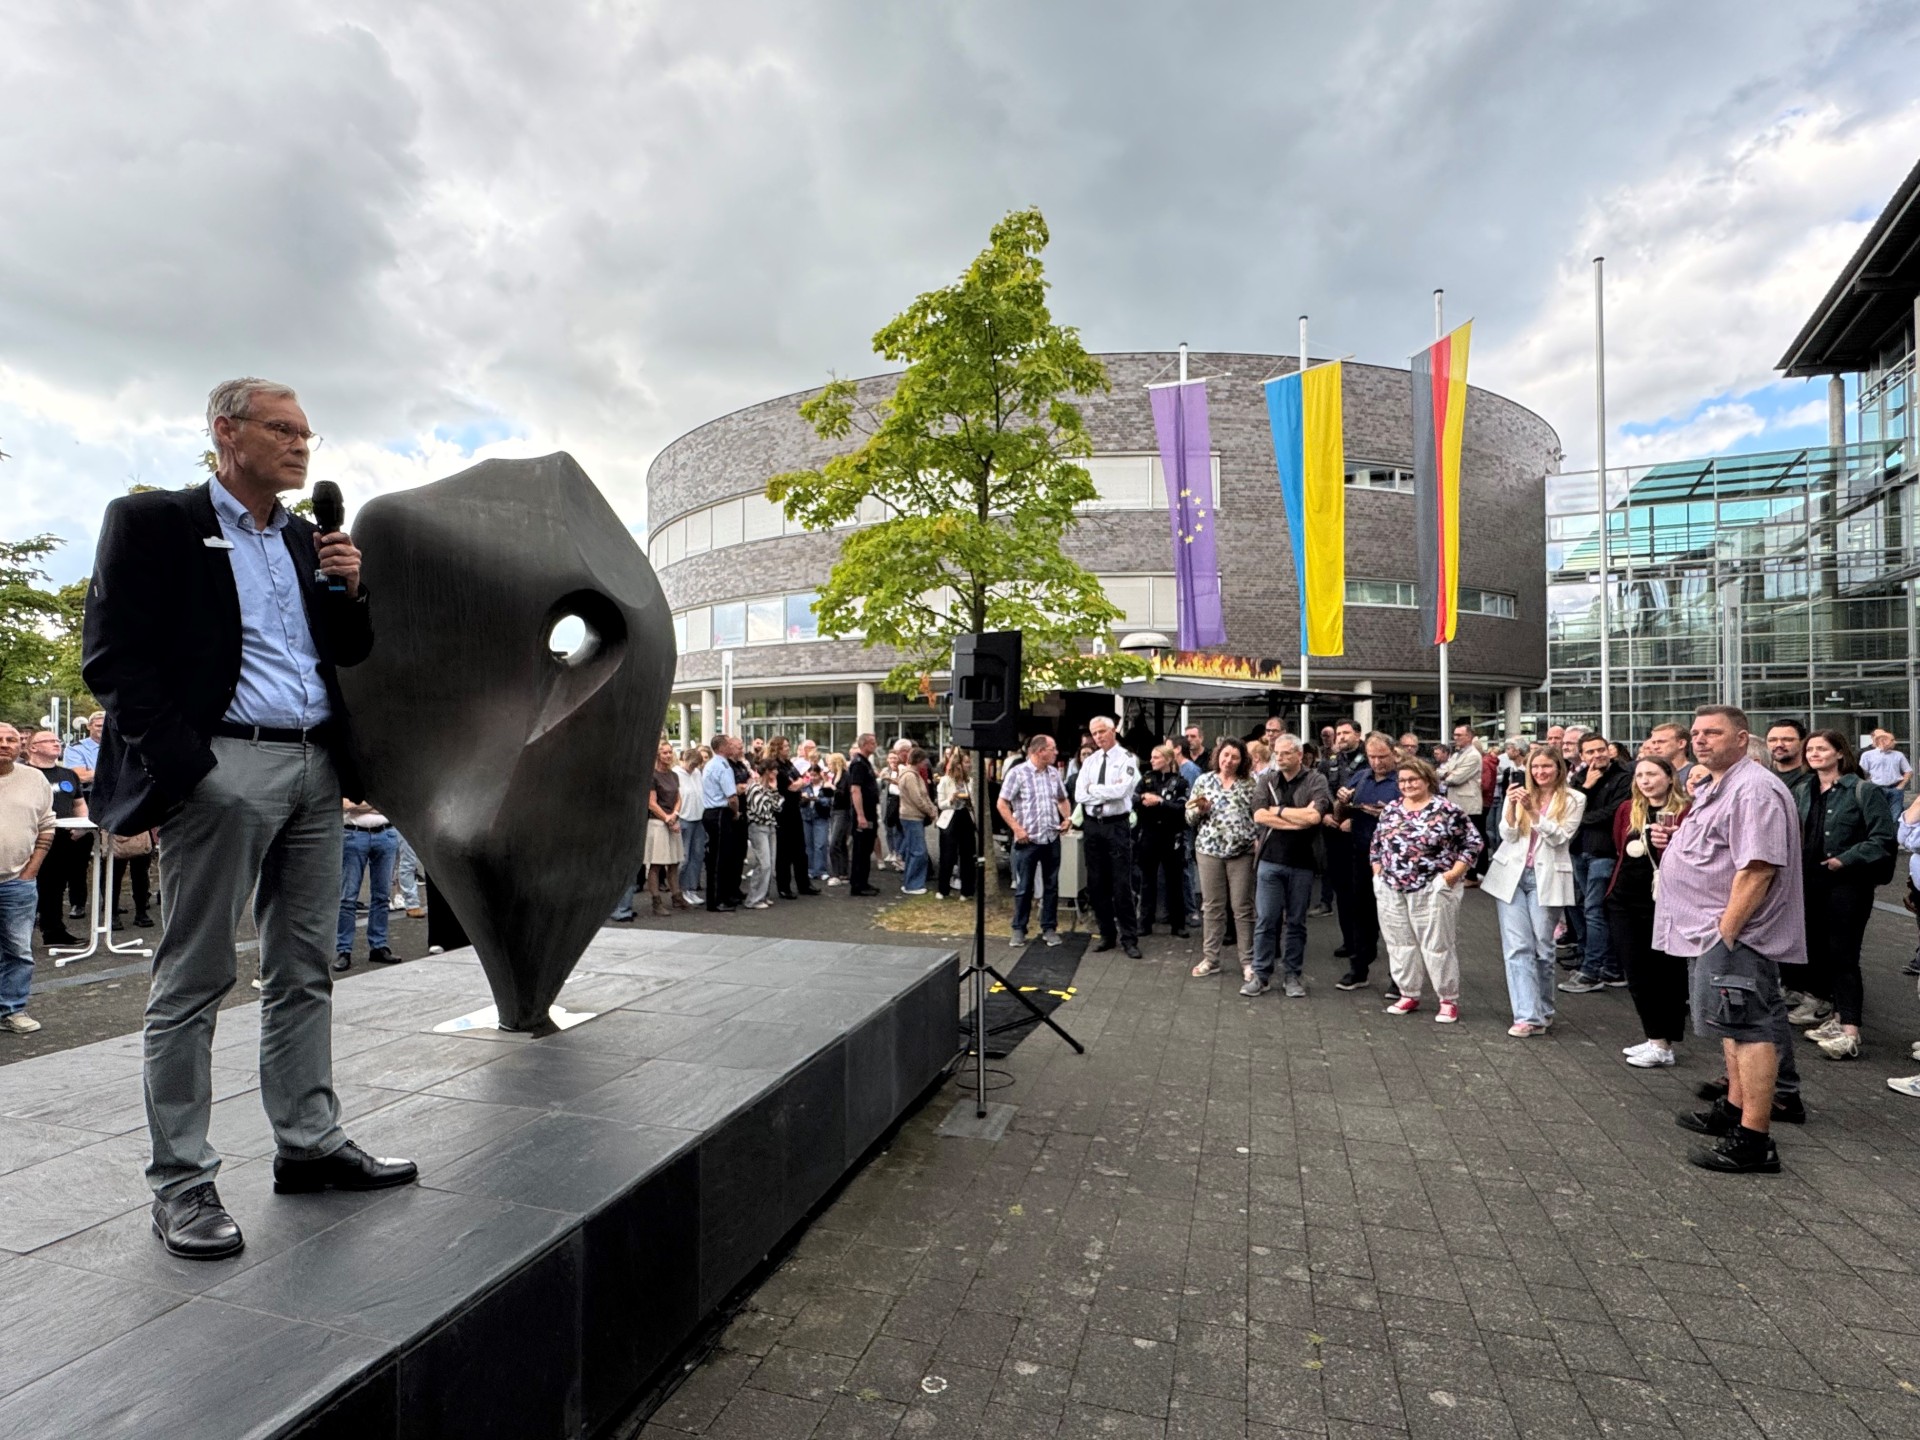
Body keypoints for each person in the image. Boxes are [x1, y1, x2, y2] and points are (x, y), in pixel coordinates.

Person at [82, 376, 416, 1261]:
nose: (301, 445)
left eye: (307, 433)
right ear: (227, 432)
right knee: (194, 977)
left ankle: (308, 1144)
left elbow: (347, 651)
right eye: (282, 428)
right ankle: (181, 1183)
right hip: (222, 765)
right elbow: (112, 659)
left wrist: (350, 590)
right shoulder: (153, 522)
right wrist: (191, 769)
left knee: (306, 967)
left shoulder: (307, 539)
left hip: (315, 767)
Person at [1661, 705, 1806, 1174]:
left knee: (1750, 1028)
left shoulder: (1754, 790)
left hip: (1736, 934)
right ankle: (1733, 1108)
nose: (1700, 740)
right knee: (1732, 1025)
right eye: (1696, 733)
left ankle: (1754, 1140)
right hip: (1710, 930)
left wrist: (1725, 932)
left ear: (1742, 739)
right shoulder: (1719, 785)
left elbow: (1758, 869)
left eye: (1713, 733)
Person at [1790, 730, 1895, 1060]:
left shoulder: (1863, 790)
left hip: (1848, 883)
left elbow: (1883, 838)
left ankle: (1850, 1030)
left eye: (1822, 748)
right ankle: (1835, 1018)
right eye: (1810, 749)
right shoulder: (1803, 789)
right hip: (1810, 881)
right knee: (1819, 951)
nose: (1814, 754)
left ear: (1839, 753)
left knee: (1843, 954)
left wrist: (1844, 859)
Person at [1370, 755, 1481, 1020]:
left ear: (1427, 780)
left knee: (1437, 944)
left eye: (1413, 779)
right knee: (1399, 942)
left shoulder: (1447, 810)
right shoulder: (1392, 809)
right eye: (1402, 780)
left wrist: (1452, 876)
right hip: (1391, 886)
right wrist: (1377, 871)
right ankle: (1408, 992)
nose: (1407, 785)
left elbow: (1472, 843)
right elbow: (1377, 843)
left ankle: (1447, 998)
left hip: (1432, 887)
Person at [1485, 745, 1583, 1037]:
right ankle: (1527, 1016)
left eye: (1546, 766)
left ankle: (1543, 1009)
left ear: (1558, 769)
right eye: (1535, 767)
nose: (1540, 772)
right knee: (1517, 947)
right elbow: (1507, 834)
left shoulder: (1574, 799)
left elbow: (1560, 838)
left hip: (1546, 878)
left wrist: (1532, 811)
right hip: (1511, 877)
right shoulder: (1518, 792)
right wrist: (1513, 807)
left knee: (1542, 946)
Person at [1606, 757, 1689, 1065]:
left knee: (1667, 971)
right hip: (1625, 899)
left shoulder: (1685, 812)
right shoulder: (1628, 809)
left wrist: (1669, 841)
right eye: (1640, 775)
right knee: (1636, 970)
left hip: (1666, 902)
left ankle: (1664, 1042)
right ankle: (1655, 1038)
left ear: (1669, 778)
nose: (1645, 780)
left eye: (1652, 774)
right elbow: (1620, 847)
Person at [1244, 734, 1332, 998]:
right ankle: (1261, 975)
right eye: (1276, 753)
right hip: (1270, 860)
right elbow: (1259, 814)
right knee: (1266, 920)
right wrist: (1297, 820)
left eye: (1285, 753)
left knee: (1296, 922)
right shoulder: (1267, 780)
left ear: (1299, 754)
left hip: (1303, 862)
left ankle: (1292, 975)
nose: (1279, 758)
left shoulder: (1316, 779)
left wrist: (1279, 811)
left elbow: (1314, 816)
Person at [1559, 732, 1632, 993]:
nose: (1597, 755)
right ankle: (1609, 967)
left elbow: (1614, 813)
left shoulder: (1624, 777)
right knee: (1581, 907)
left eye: (1601, 749)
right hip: (1579, 849)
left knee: (1595, 910)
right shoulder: (1581, 778)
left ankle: (1592, 970)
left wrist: (1581, 818)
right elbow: (1566, 809)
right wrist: (1587, 787)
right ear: (1582, 755)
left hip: (1604, 852)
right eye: (1590, 752)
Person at [1330, 733, 1400, 991]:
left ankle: (1399, 978)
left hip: (1395, 858)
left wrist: (1388, 814)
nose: (1377, 762)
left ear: (1394, 754)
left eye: (1382, 757)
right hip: (1361, 854)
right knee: (1361, 913)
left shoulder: (1403, 780)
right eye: (1372, 757)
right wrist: (1342, 802)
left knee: (1395, 918)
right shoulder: (1360, 778)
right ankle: (1359, 968)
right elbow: (1339, 815)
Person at [1187, 737, 1257, 981]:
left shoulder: (1250, 783)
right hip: (1209, 850)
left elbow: (1258, 814)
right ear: (1218, 756)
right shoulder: (1203, 781)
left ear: (1242, 760)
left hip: (1242, 852)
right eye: (1225, 755)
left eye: (1235, 757)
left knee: (1242, 907)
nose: (1229, 761)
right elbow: (1189, 818)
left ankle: (1248, 961)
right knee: (1212, 906)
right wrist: (1199, 810)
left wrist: (1257, 839)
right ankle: (1211, 958)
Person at [0, 723, 55, 1035]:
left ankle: (11, 1010)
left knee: (18, 951)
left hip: (17, 881)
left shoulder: (34, 779)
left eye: (11, 739)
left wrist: (31, 870)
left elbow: (47, 824)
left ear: (20, 746)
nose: (5, 744)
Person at [1075, 716, 1141, 957]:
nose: (1098, 737)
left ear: (1113, 730)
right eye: (1094, 733)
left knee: (1121, 884)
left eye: (1102, 731)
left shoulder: (1126, 758)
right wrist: (1103, 792)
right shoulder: (1090, 761)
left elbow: (1122, 790)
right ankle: (1107, 934)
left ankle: (1129, 938)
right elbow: (1079, 795)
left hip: (1116, 825)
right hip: (1093, 825)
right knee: (1096, 883)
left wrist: (1093, 790)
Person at [998, 734, 1071, 947]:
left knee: (1051, 885)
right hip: (1027, 839)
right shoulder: (1017, 773)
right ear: (1040, 751)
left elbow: (1062, 798)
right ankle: (1019, 928)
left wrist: (1067, 818)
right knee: (1024, 887)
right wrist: (1016, 828)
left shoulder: (1054, 773)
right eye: (1052, 748)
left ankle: (1049, 927)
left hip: (1050, 837)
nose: (1056, 752)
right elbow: (1002, 803)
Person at [24, 728, 86, 945]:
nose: (56, 743)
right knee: (25, 885)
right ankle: (19, 936)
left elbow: (79, 803)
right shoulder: (23, 773)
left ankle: (53, 931)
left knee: (55, 886)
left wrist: (82, 826)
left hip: (62, 838)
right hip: (30, 838)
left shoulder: (68, 774)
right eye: (48, 740)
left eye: (57, 740)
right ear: (33, 747)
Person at [336, 796, 400, 971]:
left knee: (382, 896)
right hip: (354, 834)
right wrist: (377, 805)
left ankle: (379, 945)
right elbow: (346, 805)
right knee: (348, 897)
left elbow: (393, 802)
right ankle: (344, 950)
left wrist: (360, 806)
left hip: (385, 833)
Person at [1134, 743, 1190, 938]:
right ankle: (1145, 923)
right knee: (1147, 880)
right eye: (1151, 757)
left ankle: (1178, 924)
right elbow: (1133, 799)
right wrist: (1144, 798)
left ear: (1167, 759)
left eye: (1156, 757)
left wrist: (1160, 802)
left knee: (1174, 880)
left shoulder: (1180, 782)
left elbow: (1182, 808)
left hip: (1171, 835)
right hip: (1149, 834)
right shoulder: (1146, 779)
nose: (1152, 760)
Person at [1315, 720, 1364, 919]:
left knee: (1361, 888)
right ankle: (1347, 936)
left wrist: (1356, 820)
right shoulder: (1329, 762)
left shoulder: (1369, 760)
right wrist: (1323, 815)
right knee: (1339, 883)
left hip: (1359, 829)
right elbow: (1318, 791)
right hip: (1333, 827)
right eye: (1339, 733)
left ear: (1358, 735)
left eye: (1346, 733)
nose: (1341, 737)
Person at [642, 738, 688, 916]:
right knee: (656, 864)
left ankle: (677, 896)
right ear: (658, 755)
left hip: (672, 820)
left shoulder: (674, 775)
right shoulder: (653, 776)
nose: (668, 755)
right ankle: (656, 901)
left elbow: (678, 798)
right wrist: (666, 818)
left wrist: (674, 815)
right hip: (658, 823)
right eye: (665, 752)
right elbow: (651, 803)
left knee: (675, 861)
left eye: (670, 752)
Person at [1438, 723, 1486, 884]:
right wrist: (1447, 773)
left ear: (1469, 737)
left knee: (1470, 840)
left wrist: (1447, 774)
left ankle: (1472, 875)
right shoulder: (1457, 754)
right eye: (1455, 734)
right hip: (1455, 803)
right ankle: (1463, 872)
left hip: (1469, 805)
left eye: (1459, 735)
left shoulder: (1473, 755)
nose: (1455, 738)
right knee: (1456, 839)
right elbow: (1441, 771)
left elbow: (1455, 778)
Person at [701, 736, 744, 913]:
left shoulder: (711, 764)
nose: (732, 747)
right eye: (728, 744)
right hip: (719, 812)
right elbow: (732, 797)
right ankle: (716, 900)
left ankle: (722, 896)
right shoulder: (723, 766)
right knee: (720, 858)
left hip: (711, 812)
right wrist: (736, 812)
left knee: (720, 856)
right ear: (722, 747)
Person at [935, 751, 977, 901]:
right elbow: (941, 804)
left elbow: (975, 803)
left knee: (968, 855)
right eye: (966, 762)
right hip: (950, 818)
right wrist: (951, 800)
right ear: (957, 765)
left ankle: (967, 891)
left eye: (969, 762)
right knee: (947, 855)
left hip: (966, 817)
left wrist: (970, 802)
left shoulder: (970, 781)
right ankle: (943, 889)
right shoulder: (945, 781)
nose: (969, 765)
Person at [894, 746, 936, 895]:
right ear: (918, 760)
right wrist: (930, 811)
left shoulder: (913, 774)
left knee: (914, 850)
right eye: (923, 761)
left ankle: (910, 882)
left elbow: (923, 796)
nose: (925, 764)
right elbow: (917, 798)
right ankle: (913, 884)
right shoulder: (911, 776)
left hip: (912, 816)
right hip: (911, 816)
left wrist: (932, 808)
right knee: (918, 851)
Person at [742, 759, 782, 909]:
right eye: (773, 770)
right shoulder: (755, 787)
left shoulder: (769, 788)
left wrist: (774, 790)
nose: (776, 772)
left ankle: (763, 895)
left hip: (770, 826)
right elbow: (760, 810)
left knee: (771, 864)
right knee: (763, 864)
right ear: (766, 771)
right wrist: (771, 797)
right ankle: (753, 899)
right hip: (758, 827)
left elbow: (778, 807)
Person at [846, 733, 882, 896]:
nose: (875, 745)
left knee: (867, 847)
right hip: (863, 812)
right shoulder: (858, 764)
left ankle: (864, 881)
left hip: (870, 811)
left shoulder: (866, 763)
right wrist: (860, 815)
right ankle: (858, 885)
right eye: (872, 743)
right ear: (864, 744)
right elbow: (855, 789)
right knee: (860, 849)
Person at [677, 745, 707, 904]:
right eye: (692, 764)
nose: (693, 768)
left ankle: (691, 888)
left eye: (696, 765)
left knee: (697, 855)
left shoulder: (697, 773)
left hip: (698, 818)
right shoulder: (676, 774)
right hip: (684, 818)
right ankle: (681, 889)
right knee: (684, 857)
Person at [798, 739, 830, 886]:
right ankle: (810, 869)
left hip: (821, 817)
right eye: (810, 775)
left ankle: (821, 870)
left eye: (815, 775)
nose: (813, 778)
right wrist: (804, 799)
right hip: (807, 816)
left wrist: (817, 800)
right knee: (808, 844)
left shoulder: (825, 787)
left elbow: (829, 802)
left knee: (821, 844)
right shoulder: (805, 787)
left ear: (820, 775)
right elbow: (799, 802)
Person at [1861, 729, 1912, 818]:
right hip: (1876, 789)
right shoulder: (1867, 755)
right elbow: (1862, 772)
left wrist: (1901, 786)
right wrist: (1868, 786)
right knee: (1877, 815)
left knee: (1895, 816)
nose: (1895, 742)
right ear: (1883, 741)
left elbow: (1908, 771)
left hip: (1895, 790)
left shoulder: (1899, 755)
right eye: (1892, 740)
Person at [820, 752, 849, 886]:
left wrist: (832, 787)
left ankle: (836, 873)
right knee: (841, 843)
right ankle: (843, 872)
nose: (829, 767)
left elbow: (842, 794)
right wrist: (825, 782)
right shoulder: (836, 777)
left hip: (842, 811)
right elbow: (830, 793)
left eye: (830, 764)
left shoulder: (845, 777)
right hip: (835, 810)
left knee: (834, 843)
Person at [1765, 719, 1809, 788]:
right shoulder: (1763, 774)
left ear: (1803, 742)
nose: (1779, 744)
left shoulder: (1814, 778)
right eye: (1772, 740)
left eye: (1787, 740)